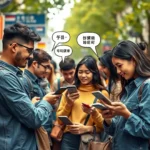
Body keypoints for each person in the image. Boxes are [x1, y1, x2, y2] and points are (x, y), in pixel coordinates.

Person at [0, 23, 60, 150]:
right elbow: (34, 119)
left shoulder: (15, 75)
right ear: (14, 47)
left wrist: (33, 105)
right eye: (29, 50)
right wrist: (46, 102)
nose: (31, 56)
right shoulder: (5, 77)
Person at [101, 40, 150, 150]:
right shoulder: (129, 87)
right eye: (115, 67)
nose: (118, 71)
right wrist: (108, 119)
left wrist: (126, 114)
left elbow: (147, 129)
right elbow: (116, 130)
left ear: (133, 60)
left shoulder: (147, 86)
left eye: (119, 65)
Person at [56, 55, 109, 150]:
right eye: (80, 72)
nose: (83, 76)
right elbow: (59, 120)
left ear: (94, 73)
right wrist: (68, 104)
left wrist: (87, 127)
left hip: (90, 140)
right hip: (68, 140)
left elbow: (105, 126)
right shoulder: (69, 92)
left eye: (87, 72)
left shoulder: (102, 94)